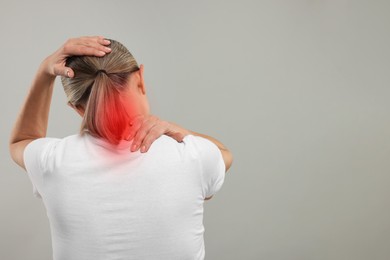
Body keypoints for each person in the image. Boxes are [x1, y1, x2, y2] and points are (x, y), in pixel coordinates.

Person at [9, 36, 233, 260]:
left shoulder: (53, 162)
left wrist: (44, 71)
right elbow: (223, 153)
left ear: (78, 108)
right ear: (140, 79)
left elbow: (22, 140)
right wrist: (174, 130)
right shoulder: (191, 157)